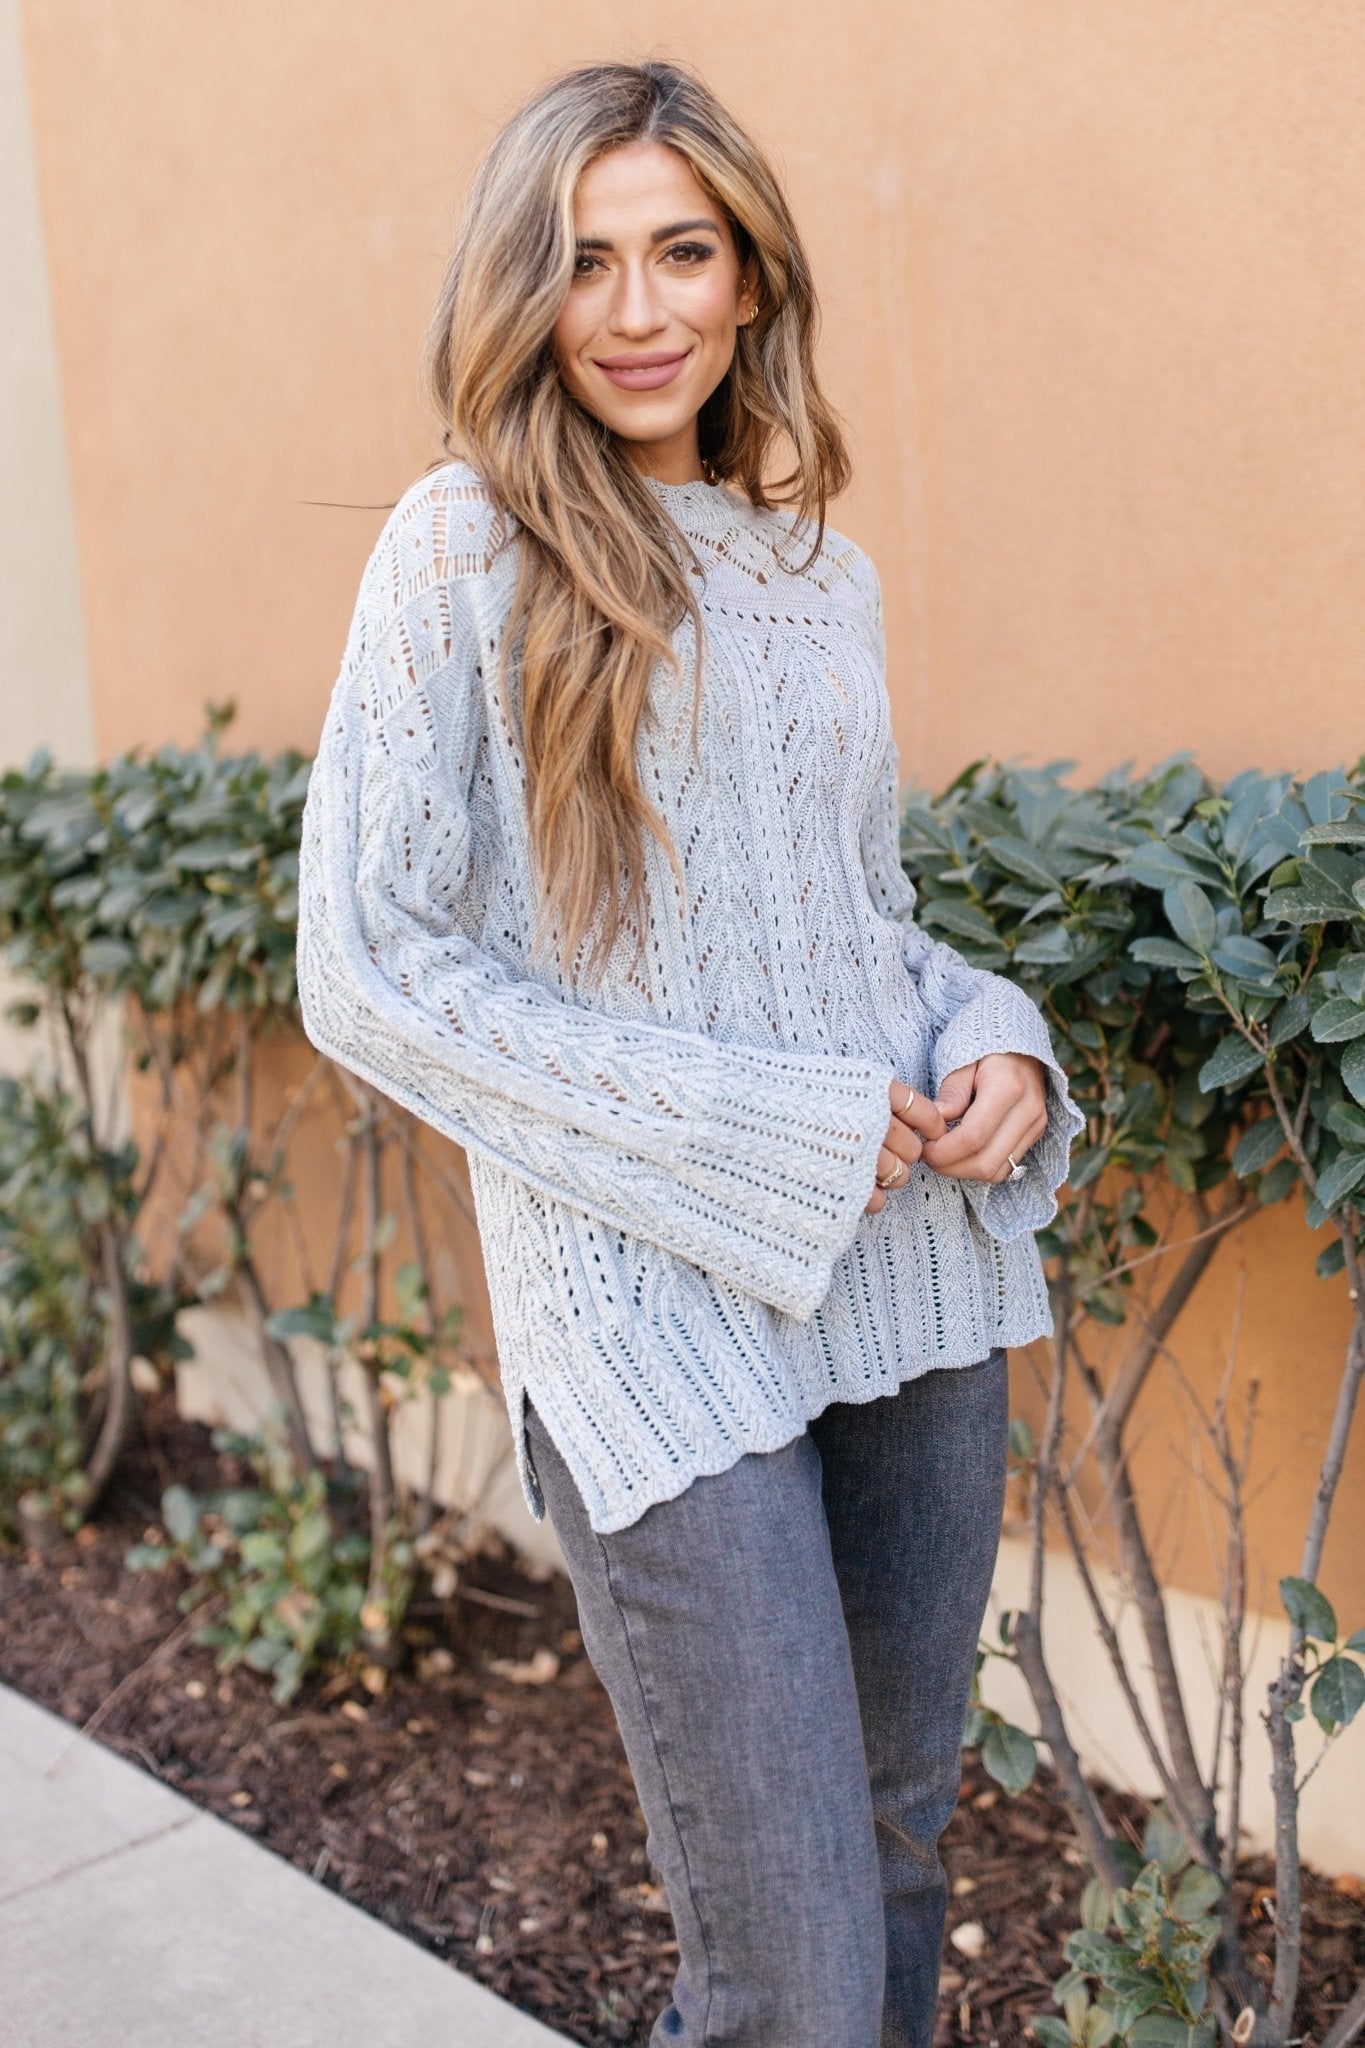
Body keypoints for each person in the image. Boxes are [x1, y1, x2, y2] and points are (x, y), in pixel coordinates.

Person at [295, 57, 1085, 2048]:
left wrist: (992, 1039)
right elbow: (368, 966)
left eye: (682, 252)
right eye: (586, 261)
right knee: (787, 1978)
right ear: (521, 288)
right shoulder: (463, 545)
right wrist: (755, 1132)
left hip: (903, 1280)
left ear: (748, 281)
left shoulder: (819, 581)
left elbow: (858, 928)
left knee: (898, 1854)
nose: (638, 309)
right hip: (650, 1324)